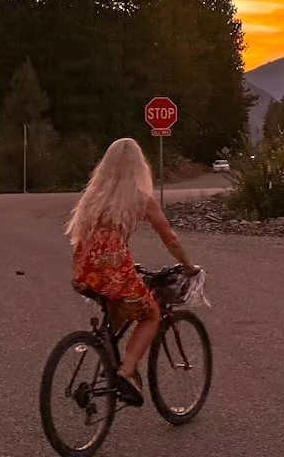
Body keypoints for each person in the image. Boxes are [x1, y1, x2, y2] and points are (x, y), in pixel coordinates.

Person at [66, 138, 196, 407]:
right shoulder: (140, 198)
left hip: (83, 270)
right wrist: (187, 264)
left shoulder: (93, 196)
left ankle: (108, 358)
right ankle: (126, 370)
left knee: (118, 307)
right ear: (139, 167)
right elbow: (169, 237)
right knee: (150, 314)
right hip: (113, 270)